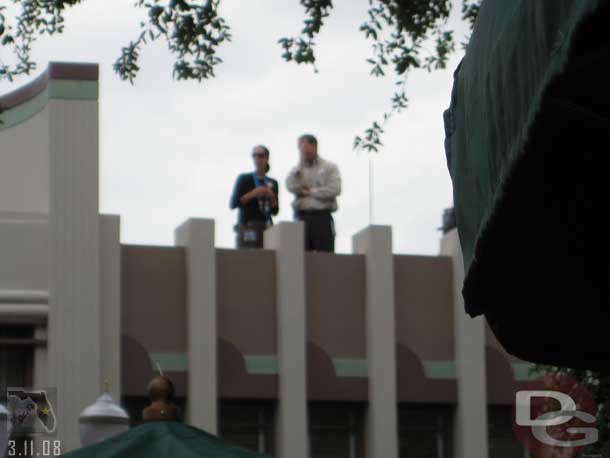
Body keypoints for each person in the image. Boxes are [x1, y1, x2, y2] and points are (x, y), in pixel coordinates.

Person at [286, 134, 341, 252]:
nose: (303, 152)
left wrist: (310, 191)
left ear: (314, 147)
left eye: (306, 149)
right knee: (300, 257)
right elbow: (290, 186)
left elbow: (334, 189)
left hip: (322, 217)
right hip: (301, 217)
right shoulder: (296, 170)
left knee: (325, 256)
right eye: (301, 149)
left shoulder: (329, 167)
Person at [230, 145, 279, 248]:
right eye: (254, 156)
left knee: (267, 257)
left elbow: (275, 211)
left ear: (267, 158)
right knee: (247, 257)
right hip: (248, 225)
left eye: (260, 156)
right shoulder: (244, 179)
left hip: (266, 225)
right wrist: (253, 194)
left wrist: (272, 197)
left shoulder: (273, 183)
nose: (257, 159)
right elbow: (233, 204)